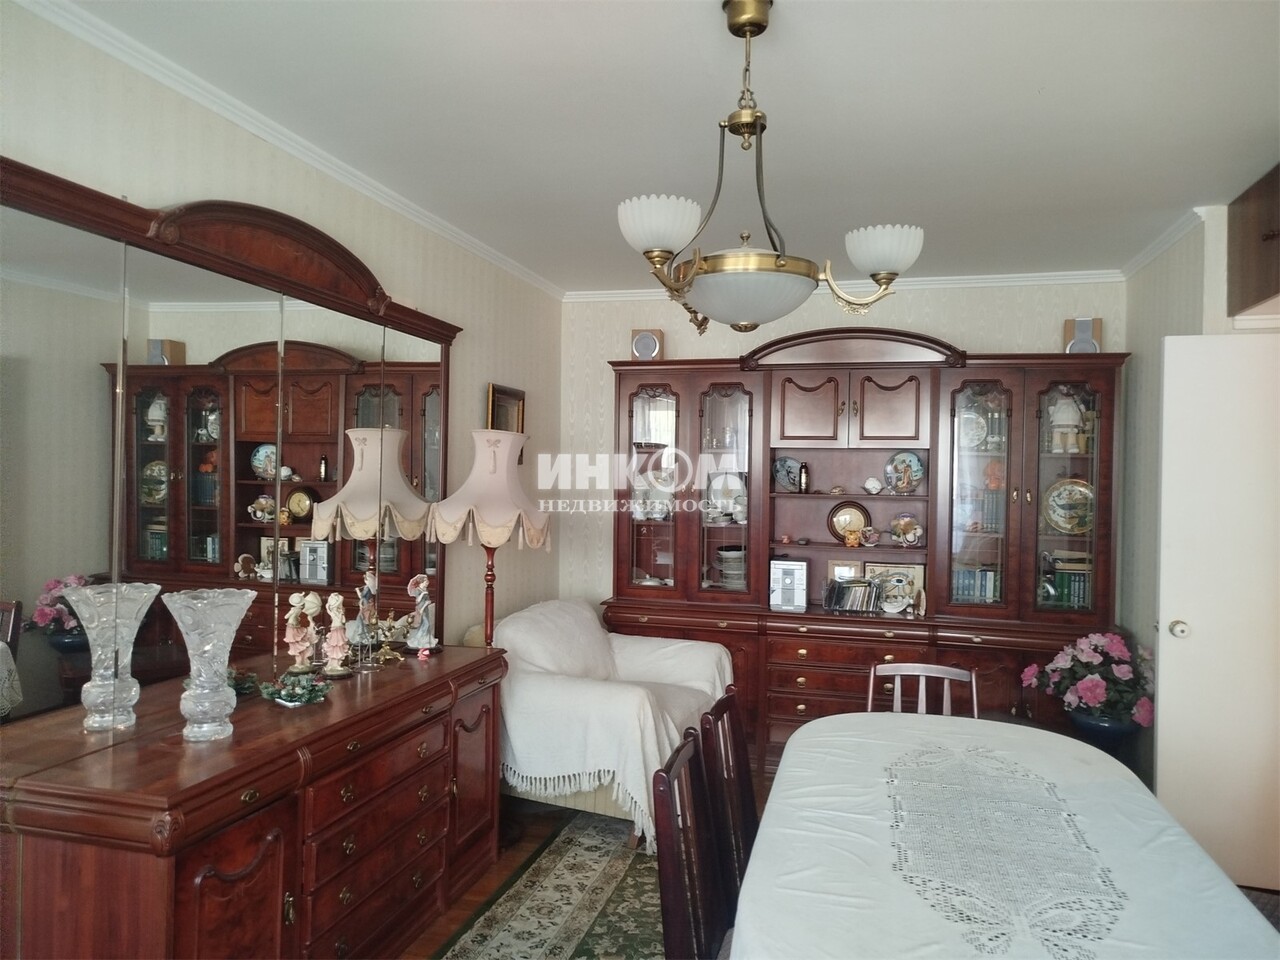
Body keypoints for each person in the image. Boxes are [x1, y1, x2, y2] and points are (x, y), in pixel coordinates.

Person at [404, 573, 436, 649]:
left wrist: (428, 602)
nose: (427, 583)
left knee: (426, 623)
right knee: (424, 623)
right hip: (420, 608)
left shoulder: (425, 590)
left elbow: (428, 600)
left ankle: (425, 638)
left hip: (425, 609)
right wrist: (423, 594)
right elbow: (418, 600)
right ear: (421, 582)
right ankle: (420, 637)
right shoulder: (418, 590)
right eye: (426, 581)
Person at [1049, 389, 1084, 453]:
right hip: (1062, 413)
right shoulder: (1056, 393)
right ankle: (1057, 445)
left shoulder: (1072, 393)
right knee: (1058, 431)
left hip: (1069, 413)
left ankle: (1071, 445)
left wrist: (1051, 411)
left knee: (1071, 431)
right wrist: (1052, 411)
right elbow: (1052, 403)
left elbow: (1078, 400)